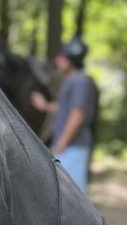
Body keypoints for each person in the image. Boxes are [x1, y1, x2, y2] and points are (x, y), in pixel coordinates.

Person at [30, 36, 96, 192]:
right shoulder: (72, 81)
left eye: (61, 57)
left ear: (70, 60)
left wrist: (62, 143)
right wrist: (45, 106)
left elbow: (78, 114)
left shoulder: (79, 82)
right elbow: (65, 108)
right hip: (70, 146)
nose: (58, 60)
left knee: (73, 195)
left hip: (73, 146)